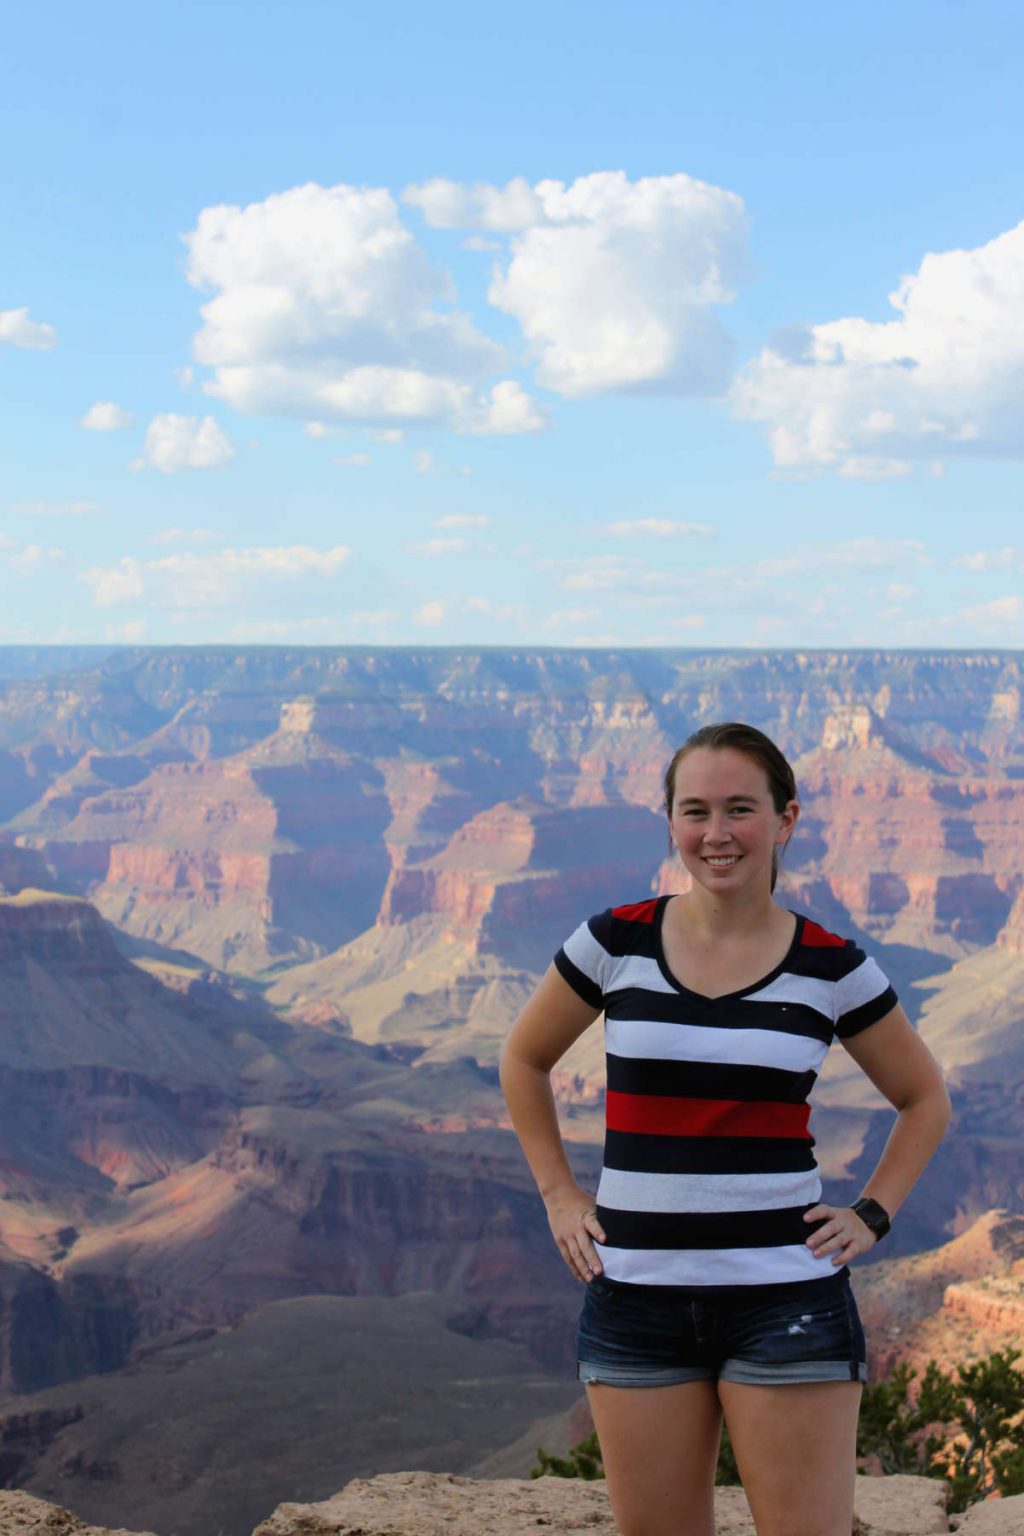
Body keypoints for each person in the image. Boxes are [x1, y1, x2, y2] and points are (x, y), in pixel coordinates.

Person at [499, 721, 952, 1536]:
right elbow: (523, 1060)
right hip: (636, 1300)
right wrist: (559, 1196)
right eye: (695, 810)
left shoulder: (832, 967)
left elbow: (924, 1097)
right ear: (669, 822)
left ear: (785, 820)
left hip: (787, 1301)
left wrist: (872, 1213)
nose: (716, 834)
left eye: (740, 809)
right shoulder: (612, 943)